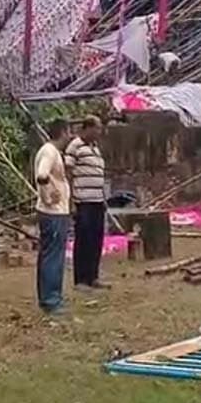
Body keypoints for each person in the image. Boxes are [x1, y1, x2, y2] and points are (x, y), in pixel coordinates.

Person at [65, 115, 109, 289]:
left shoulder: (95, 148)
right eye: (97, 128)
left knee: (96, 239)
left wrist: (103, 198)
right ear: (87, 128)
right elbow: (68, 174)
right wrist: (71, 201)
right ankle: (81, 280)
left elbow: (98, 175)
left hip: (97, 200)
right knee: (83, 239)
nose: (99, 132)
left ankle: (93, 277)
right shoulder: (75, 146)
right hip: (82, 201)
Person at [34, 119, 72, 314]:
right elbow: (42, 175)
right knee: (53, 257)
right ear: (63, 132)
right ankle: (51, 300)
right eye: (69, 132)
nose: (70, 136)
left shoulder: (49, 151)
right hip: (53, 213)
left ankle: (47, 297)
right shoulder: (49, 151)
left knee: (48, 255)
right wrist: (49, 195)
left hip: (53, 212)